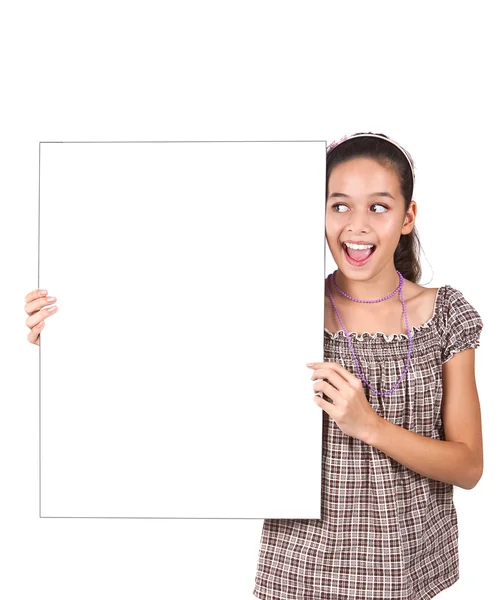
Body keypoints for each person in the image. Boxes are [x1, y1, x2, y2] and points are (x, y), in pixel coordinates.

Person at [253, 132, 484, 599]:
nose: (356, 226)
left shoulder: (445, 315)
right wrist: (66, 328)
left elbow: (469, 465)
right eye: (339, 206)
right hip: (298, 570)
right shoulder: (282, 310)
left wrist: (369, 425)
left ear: (407, 217)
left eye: (378, 207)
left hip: (406, 572)